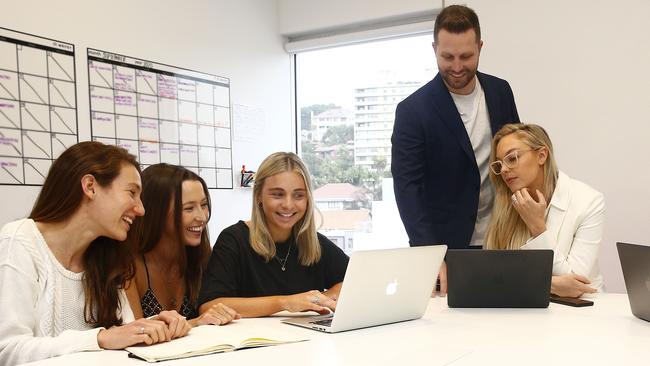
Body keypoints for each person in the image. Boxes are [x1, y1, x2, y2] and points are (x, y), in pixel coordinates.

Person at [0, 142, 188, 366]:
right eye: (132, 193)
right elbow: (7, 350)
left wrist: (153, 327)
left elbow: (122, 336)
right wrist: (99, 338)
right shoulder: (20, 240)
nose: (141, 209)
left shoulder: (108, 256)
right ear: (90, 186)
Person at [391, 5, 520, 252]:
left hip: (504, 237)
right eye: (448, 57)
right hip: (447, 246)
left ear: (480, 47)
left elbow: (516, 156)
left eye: (466, 56)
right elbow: (408, 190)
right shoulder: (412, 111)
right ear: (434, 49)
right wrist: (429, 254)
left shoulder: (501, 91)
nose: (457, 66)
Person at [197, 152, 349, 317]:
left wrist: (322, 298)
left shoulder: (314, 242)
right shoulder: (233, 240)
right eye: (278, 194)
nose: (288, 204)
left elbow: (356, 280)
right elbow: (209, 306)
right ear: (258, 196)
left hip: (308, 340)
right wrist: (285, 303)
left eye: (298, 195)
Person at [485, 123, 605, 298]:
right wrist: (549, 284)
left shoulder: (589, 201)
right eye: (500, 164)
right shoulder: (506, 203)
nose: (503, 170)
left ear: (542, 155)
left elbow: (575, 286)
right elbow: (492, 276)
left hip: (580, 314)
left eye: (512, 158)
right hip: (522, 310)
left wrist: (538, 228)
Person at [125, 163, 239, 326]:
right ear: (157, 212)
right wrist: (196, 323)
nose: (201, 217)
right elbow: (136, 333)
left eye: (204, 205)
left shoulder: (204, 259)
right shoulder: (129, 267)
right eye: (189, 208)